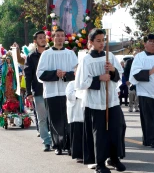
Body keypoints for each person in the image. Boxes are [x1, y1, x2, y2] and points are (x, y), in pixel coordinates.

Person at [75, 29, 126, 173]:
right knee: (100, 134)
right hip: (95, 102)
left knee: (116, 129)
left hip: (111, 100)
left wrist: (113, 70)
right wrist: (98, 78)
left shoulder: (109, 55)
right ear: (90, 42)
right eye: (98, 41)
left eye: (103, 40)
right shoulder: (86, 60)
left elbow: (119, 75)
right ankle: (100, 163)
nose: (101, 43)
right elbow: (81, 83)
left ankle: (114, 158)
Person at [36, 28, 78, 155]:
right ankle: (58, 145)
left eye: (62, 35)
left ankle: (70, 145)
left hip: (68, 92)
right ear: (52, 38)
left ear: (65, 38)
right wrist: (55, 74)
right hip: (52, 92)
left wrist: (66, 75)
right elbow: (40, 74)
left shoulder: (70, 54)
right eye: (57, 36)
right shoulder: (46, 54)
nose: (60, 38)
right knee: (55, 120)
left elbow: (78, 72)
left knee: (68, 119)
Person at [129, 34, 154, 148]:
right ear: (145, 44)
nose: (153, 43)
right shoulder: (140, 57)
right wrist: (151, 71)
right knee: (149, 118)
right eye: (150, 41)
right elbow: (134, 75)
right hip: (146, 93)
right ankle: (152, 139)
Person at [24, 31, 52, 151]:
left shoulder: (51, 53)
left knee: (53, 117)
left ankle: (57, 140)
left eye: (44, 37)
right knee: (41, 117)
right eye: (40, 38)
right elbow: (28, 75)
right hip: (38, 91)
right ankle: (46, 141)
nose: (43, 39)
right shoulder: (31, 57)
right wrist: (29, 92)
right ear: (35, 41)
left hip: (52, 90)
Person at [65, 65, 84, 163]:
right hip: (75, 114)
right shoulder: (71, 84)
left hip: (85, 113)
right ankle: (78, 154)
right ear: (75, 73)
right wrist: (79, 92)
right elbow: (70, 96)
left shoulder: (86, 83)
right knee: (77, 135)